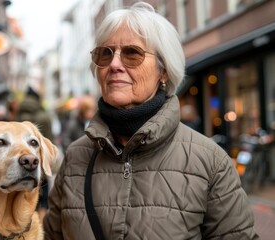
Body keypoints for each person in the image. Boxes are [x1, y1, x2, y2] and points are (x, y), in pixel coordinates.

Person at [43, 2, 258, 239]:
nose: (114, 65)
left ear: (164, 70)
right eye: (105, 53)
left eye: (132, 53)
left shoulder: (210, 162)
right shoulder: (75, 158)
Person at [16, 86, 54, 220]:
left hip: (21, 159)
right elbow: (49, 139)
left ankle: (25, 215)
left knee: (23, 187)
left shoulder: (18, 114)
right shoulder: (43, 116)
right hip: (38, 157)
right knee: (43, 184)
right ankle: (42, 213)